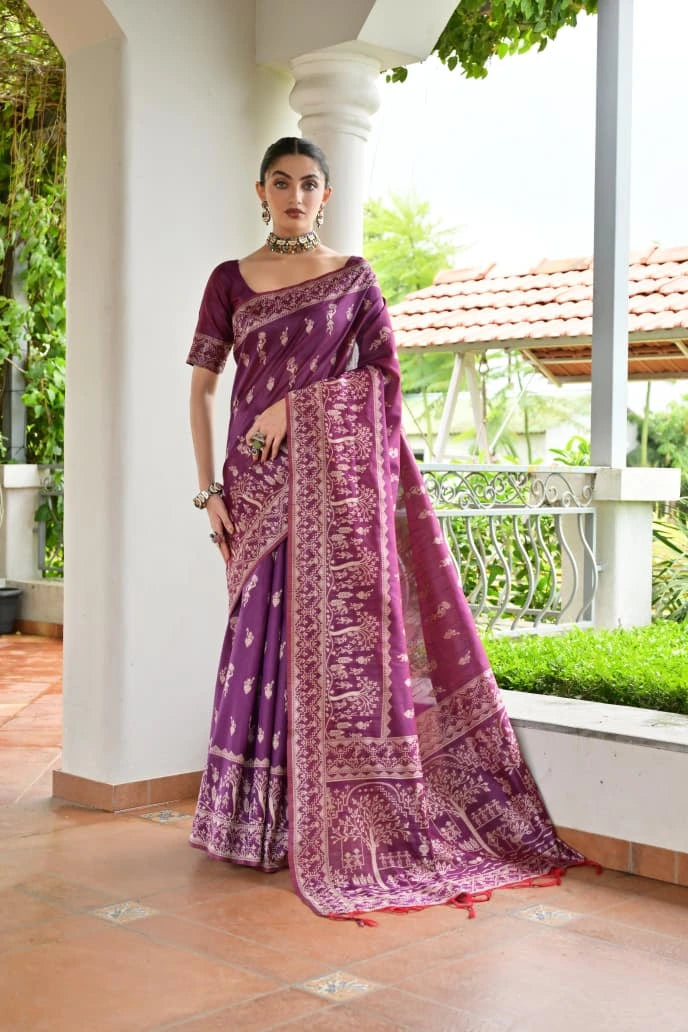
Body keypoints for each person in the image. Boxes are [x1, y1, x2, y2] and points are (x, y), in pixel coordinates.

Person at [186, 137, 588, 922]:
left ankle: (325, 824)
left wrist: (291, 408)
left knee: (321, 651)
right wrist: (209, 493)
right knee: (256, 645)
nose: (294, 195)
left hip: (332, 490)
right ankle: (253, 826)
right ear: (259, 190)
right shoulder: (228, 281)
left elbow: (383, 383)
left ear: (326, 194)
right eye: (281, 182)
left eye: (308, 183)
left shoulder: (353, 277)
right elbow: (201, 390)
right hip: (254, 485)